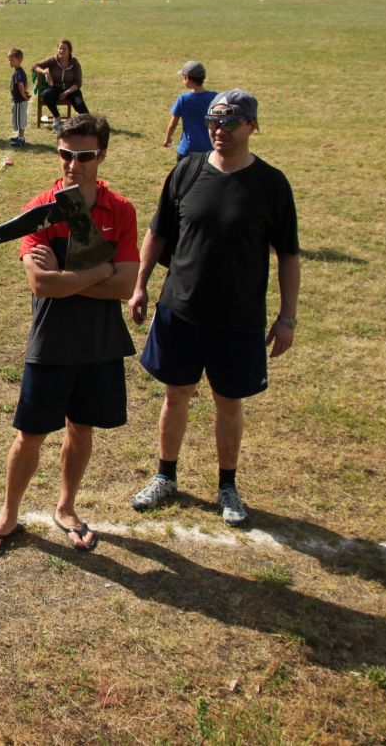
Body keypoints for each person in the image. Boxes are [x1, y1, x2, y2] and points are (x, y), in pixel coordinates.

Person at [127, 90, 301, 527]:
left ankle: (227, 486)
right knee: (176, 395)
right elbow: (157, 233)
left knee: (229, 403)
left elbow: (288, 255)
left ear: (252, 126)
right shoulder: (186, 171)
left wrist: (287, 317)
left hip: (238, 319)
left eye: (230, 122)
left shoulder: (271, 184)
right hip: (180, 311)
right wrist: (140, 286)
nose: (219, 130)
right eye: (213, 122)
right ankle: (165, 476)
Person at [0, 114, 140, 557]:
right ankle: (8, 514)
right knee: (30, 434)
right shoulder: (41, 209)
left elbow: (126, 285)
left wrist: (70, 275)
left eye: (84, 156)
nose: (73, 165)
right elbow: (42, 285)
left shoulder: (121, 210)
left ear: (102, 155)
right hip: (51, 340)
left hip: (99, 342)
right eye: (66, 154)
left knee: (81, 428)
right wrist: (101, 270)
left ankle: (65, 508)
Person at [33, 39, 90, 131]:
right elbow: (34, 66)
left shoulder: (74, 62)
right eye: (60, 48)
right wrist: (45, 72)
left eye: (64, 49)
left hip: (71, 89)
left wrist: (66, 92)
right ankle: (57, 118)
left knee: (80, 104)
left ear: (69, 51)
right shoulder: (52, 60)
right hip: (55, 88)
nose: (61, 51)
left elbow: (78, 82)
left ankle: (89, 123)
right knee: (46, 95)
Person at [163, 60, 216, 159]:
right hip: (209, 150)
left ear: (187, 78)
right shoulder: (215, 97)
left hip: (187, 150)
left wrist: (167, 139)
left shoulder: (183, 99)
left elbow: (172, 124)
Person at [7, 48, 31, 147]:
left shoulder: (18, 72)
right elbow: (26, 83)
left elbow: (21, 85)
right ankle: (19, 136)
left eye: (12, 60)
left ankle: (21, 139)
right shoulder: (19, 71)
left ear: (20, 60)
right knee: (20, 118)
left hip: (19, 100)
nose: (10, 62)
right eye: (9, 60)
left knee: (19, 119)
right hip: (19, 100)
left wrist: (23, 94)